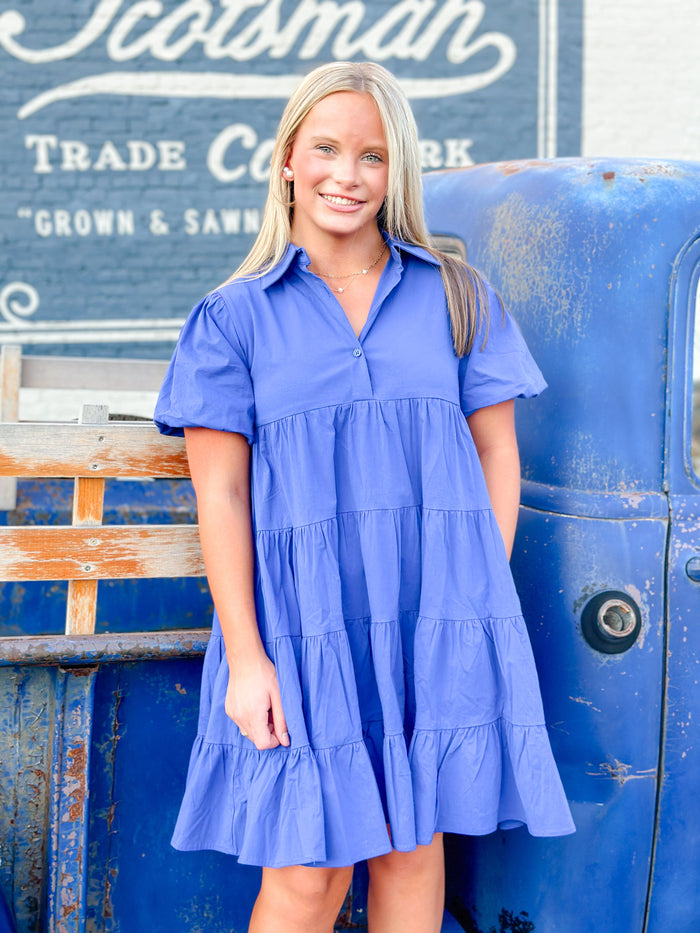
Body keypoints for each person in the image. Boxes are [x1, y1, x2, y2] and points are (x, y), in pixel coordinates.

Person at [154, 60, 575, 933]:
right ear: (287, 162)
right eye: (328, 149)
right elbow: (221, 495)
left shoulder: (456, 296)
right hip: (301, 627)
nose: (348, 175)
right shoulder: (233, 317)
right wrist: (247, 657)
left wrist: (474, 595)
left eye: (374, 157)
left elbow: (498, 453)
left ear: (397, 173)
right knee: (310, 872)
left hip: (432, 619)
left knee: (411, 849)